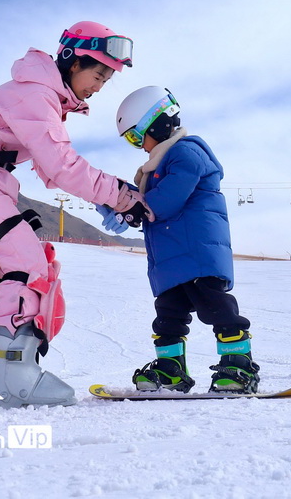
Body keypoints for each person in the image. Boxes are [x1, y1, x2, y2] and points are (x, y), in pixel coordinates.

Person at [0, 21, 151, 408]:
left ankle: (9, 375)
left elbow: (51, 170)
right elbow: (62, 165)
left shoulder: (38, 93)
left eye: (106, 80)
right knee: (27, 264)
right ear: (72, 61)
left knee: (31, 265)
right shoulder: (36, 94)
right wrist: (120, 196)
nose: (99, 87)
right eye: (98, 75)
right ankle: (14, 379)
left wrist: (102, 198)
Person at [111, 86, 259, 393]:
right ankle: (171, 370)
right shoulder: (155, 167)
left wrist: (139, 208)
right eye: (131, 141)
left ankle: (239, 365)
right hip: (172, 260)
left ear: (156, 123)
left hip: (198, 254)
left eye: (137, 137)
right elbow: (151, 202)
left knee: (216, 307)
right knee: (168, 314)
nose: (139, 146)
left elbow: (168, 198)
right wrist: (121, 201)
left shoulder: (186, 152)